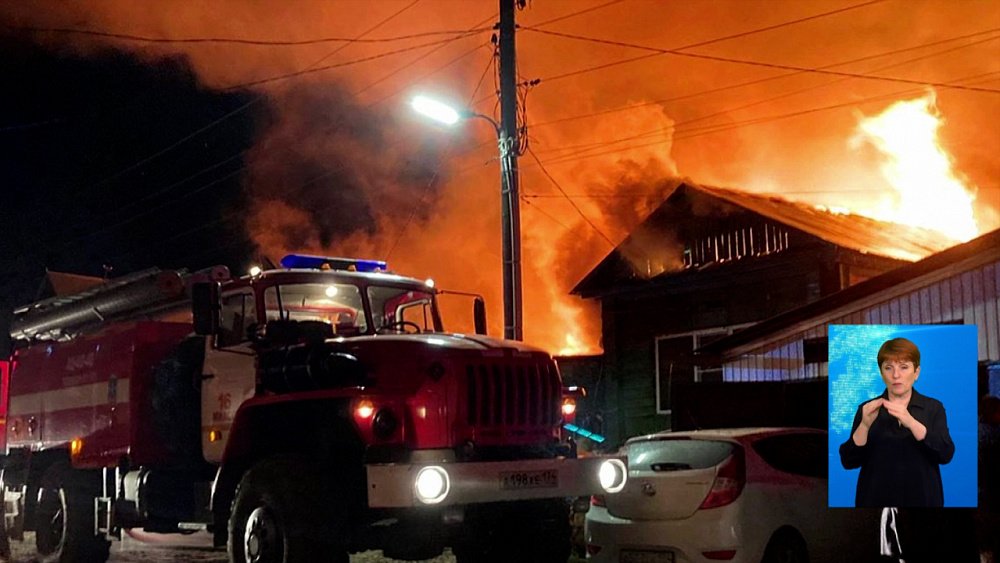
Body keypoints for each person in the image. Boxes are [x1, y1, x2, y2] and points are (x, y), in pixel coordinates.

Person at [839, 337, 955, 507]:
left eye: (904, 367)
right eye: (888, 368)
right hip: (875, 504)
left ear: (916, 372)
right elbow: (849, 461)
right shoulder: (867, 409)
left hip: (923, 502)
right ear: (881, 373)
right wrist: (864, 425)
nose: (896, 375)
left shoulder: (933, 407)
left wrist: (911, 422)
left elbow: (945, 454)